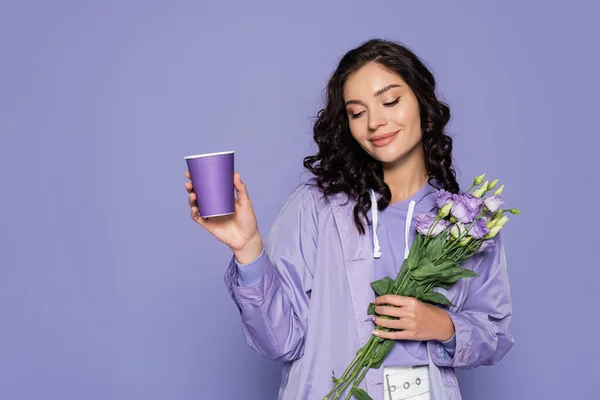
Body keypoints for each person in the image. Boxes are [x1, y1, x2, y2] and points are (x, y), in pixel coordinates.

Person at [184, 39, 514, 400]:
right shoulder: (318, 207)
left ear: (422, 101)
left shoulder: (466, 224)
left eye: (390, 101)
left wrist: (444, 326)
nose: (375, 122)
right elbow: (279, 341)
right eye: (357, 112)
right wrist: (248, 251)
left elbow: (494, 331)